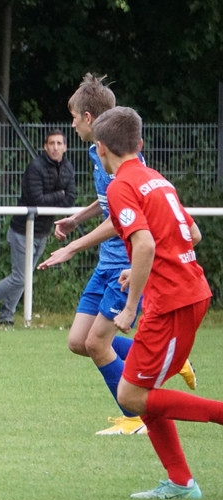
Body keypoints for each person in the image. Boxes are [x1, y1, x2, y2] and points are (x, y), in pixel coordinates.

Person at [36, 74, 195, 436]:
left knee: (97, 343)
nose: (71, 125)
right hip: (106, 262)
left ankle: (136, 417)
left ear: (88, 118)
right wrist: (78, 218)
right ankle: (172, 363)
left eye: (74, 117)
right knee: (79, 341)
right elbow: (109, 202)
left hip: (125, 263)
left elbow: (121, 218)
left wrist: (72, 247)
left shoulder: (121, 159)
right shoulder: (98, 153)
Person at [94, 105, 222, 499]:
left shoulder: (120, 186)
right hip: (187, 292)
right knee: (141, 389)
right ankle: (181, 481)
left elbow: (146, 244)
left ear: (101, 148)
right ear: (140, 143)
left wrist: (130, 306)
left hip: (171, 302)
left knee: (130, 395)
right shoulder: (156, 179)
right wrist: (138, 270)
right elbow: (192, 235)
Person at [0, 129, 76, 328]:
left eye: (59, 143)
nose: (55, 147)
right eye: (51, 143)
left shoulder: (68, 168)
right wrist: (59, 195)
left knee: (24, 278)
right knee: (20, 277)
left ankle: (5, 317)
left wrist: (58, 198)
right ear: (45, 146)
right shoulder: (36, 167)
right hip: (22, 229)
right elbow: (37, 200)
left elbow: (70, 199)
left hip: (42, 231)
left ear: (65, 147)